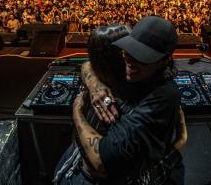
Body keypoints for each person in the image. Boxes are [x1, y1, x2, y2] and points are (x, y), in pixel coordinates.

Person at [63, 16, 185, 184]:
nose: (130, 60)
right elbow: (88, 64)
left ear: (164, 61)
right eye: (128, 50)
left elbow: (100, 162)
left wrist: (77, 112)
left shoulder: (162, 96)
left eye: (142, 56)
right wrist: (94, 83)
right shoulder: (120, 75)